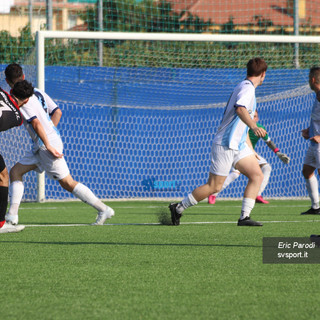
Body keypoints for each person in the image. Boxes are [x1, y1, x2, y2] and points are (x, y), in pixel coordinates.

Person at [4, 63, 114, 226]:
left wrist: (47, 144)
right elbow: (57, 112)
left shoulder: (21, 99)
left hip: (46, 145)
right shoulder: (36, 92)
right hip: (43, 143)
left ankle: (103, 209)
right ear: (24, 77)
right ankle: (12, 216)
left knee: (67, 182)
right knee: (15, 172)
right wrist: (49, 134)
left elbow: (36, 124)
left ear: (7, 81)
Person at [169, 58, 268, 226]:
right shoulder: (247, 89)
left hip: (238, 145)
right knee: (214, 186)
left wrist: (249, 147)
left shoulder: (245, 86)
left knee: (257, 175)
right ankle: (178, 208)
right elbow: (240, 109)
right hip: (225, 143)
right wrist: (253, 126)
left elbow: (239, 123)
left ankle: (244, 217)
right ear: (263, 75)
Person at [208, 110, 290, 205]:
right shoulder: (240, 127)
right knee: (234, 174)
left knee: (266, 167)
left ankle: (257, 194)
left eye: (255, 116)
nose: (253, 118)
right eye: (251, 116)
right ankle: (213, 193)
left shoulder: (260, 128)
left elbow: (268, 141)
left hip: (251, 154)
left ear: (257, 118)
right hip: (238, 152)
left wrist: (278, 152)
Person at [0, 80, 34, 233]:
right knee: (3, 176)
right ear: (26, 100)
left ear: (11, 88)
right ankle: (1, 224)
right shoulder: (17, 117)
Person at [301, 67, 320, 215]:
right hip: (314, 143)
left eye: (309, 79)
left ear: (312, 80)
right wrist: (310, 131)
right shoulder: (317, 95)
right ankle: (316, 207)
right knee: (307, 171)